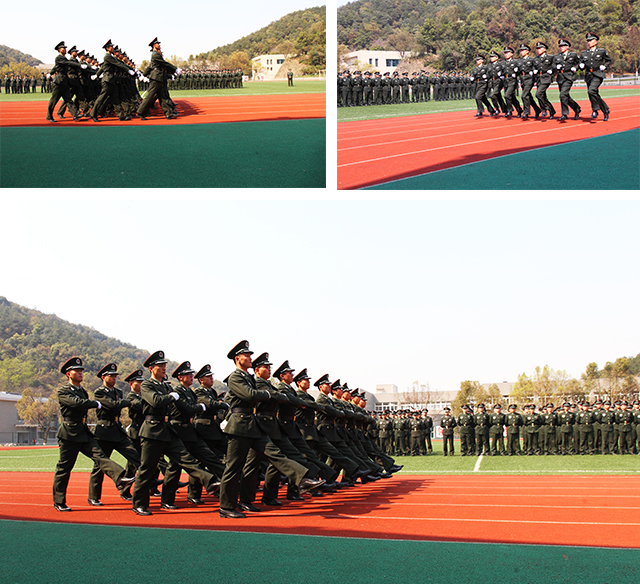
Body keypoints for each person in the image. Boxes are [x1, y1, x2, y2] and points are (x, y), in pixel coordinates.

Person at [217, 341, 324, 518]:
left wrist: (266, 395)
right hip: (238, 426)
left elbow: (257, 395)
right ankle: (226, 507)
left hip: (252, 425)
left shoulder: (249, 378)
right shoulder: (235, 377)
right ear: (238, 359)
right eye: (247, 355)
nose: (251, 358)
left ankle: (301, 480)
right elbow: (250, 395)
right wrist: (266, 395)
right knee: (234, 467)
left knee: (275, 453)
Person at [130, 350, 220, 516]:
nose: (164, 368)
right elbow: (155, 401)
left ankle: (211, 481)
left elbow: (180, 407)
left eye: (164, 365)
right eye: (160, 366)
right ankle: (139, 503)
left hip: (167, 430)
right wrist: (172, 397)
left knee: (186, 458)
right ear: (151, 368)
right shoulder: (147, 385)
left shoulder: (165, 386)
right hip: (151, 430)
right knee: (147, 469)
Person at [52, 357, 134, 511]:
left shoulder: (82, 391)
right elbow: (75, 403)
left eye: (81, 370)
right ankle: (59, 501)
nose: (80, 373)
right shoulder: (63, 391)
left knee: (100, 457)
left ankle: (120, 478)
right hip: (69, 433)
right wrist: (94, 403)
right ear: (69, 374)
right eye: (77, 371)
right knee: (65, 467)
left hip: (83, 432)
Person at [87, 363, 141, 506]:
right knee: (99, 466)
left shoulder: (118, 392)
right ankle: (93, 496)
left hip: (117, 429)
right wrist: (122, 402)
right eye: (111, 376)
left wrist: (121, 402)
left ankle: (134, 485)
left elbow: (118, 404)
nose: (114, 378)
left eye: (115, 376)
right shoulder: (99, 392)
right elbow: (113, 405)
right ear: (104, 377)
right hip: (104, 431)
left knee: (134, 455)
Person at [137, 37, 181, 120]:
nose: (159, 45)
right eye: (158, 44)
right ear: (154, 45)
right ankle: (140, 112)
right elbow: (164, 63)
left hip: (159, 77)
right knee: (150, 96)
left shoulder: (156, 54)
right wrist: (175, 69)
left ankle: (168, 113)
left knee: (162, 96)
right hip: (156, 77)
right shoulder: (155, 54)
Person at [46, 41, 83, 122]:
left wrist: (51, 72)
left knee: (68, 99)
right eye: (63, 48)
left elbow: (56, 67)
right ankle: (49, 116)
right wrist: (80, 65)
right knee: (54, 100)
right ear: (59, 49)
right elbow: (67, 63)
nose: (65, 49)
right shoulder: (59, 58)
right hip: (59, 81)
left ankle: (75, 114)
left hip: (64, 81)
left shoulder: (63, 58)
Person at [579, 32, 612, 120]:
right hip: (588, 75)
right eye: (588, 41)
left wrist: (604, 66)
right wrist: (580, 65)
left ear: (596, 41)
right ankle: (605, 110)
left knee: (591, 90)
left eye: (591, 40)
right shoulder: (584, 53)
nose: (589, 42)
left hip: (598, 74)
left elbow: (609, 60)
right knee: (594, 94)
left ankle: (595, 110)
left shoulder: (601, 51)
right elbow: (580, 63)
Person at [553, 38, 581, 121]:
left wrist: (575, 67)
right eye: (560, 46)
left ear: (567, 46)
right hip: (560, 77)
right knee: (565, 96)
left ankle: (564, 114)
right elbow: (553, 66)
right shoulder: (557, 56)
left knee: (562, 95)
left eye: (563, 46)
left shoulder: (573, 55)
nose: (561, 47)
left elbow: (579, 63)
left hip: (569, 77)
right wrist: (556, 67)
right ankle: (576, 108)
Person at [517, 44, 541, 119]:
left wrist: (533, 72)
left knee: (524, 95)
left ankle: (526, 112)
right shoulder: (519, 61)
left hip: (529, 79)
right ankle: (537, 110)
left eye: (523, 50)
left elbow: (536, 67)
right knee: (528, 97)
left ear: (527, 51)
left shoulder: (531, 60)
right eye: (521, 50)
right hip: (523, 79)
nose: (521, 52)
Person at [533, 42, 557, 119]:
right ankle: (552, 111)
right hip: (539, 78)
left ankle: (544, 109)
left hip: (546, 78)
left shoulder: (550, 57)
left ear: (545, 49)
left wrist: (552, 71)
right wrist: (534, 71)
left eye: (540, 48)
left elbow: (556, 65)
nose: (538, 50)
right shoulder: (536, 59)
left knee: (538, 94)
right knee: (543, 96)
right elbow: (534, 67)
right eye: (537, 48)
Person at [502, 47, 523, 117]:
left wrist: (516, 73)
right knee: (512, 97)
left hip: (512, 81)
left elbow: (520, 70)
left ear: (511, 54)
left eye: (507, 53)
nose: (506, 54)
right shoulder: (503, 63)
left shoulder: (515, 62)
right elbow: (502, 71)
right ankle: (519, 109)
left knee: (507, 95)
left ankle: (509, 110)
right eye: (505, 53)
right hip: (506, 81)